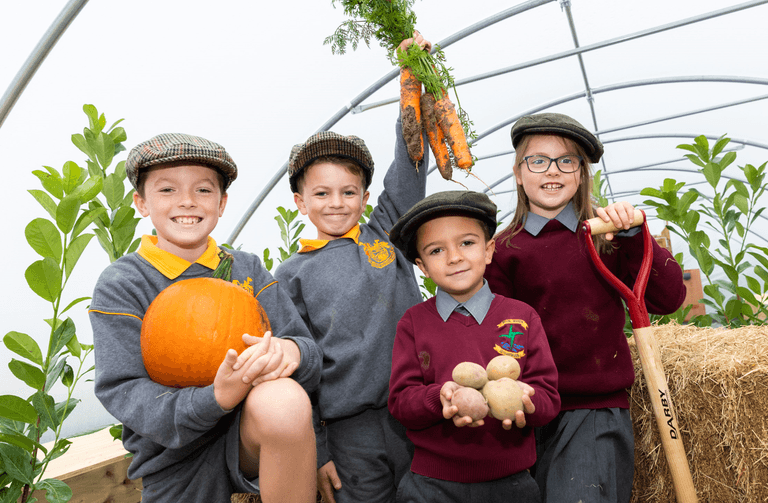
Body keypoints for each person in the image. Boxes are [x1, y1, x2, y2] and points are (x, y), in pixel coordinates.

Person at [89, 133, 322, 503]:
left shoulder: (246, 269)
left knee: (284, 399)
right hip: (172, 459)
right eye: (167, 190)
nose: (187, 201)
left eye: (203, 190)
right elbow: (123, 388)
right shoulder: (123, 283)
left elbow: (305, 349)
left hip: (251, 437)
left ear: (222, 203)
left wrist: (291, 353)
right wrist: (216, 398)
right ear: (141, 203)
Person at [484, 112, 687, 503]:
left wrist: (633, 235)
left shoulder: (606, 235)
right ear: (517, 171)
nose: (552, 171)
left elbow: (669, 298)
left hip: (591, 411)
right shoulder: (504, 250)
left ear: (581, 173)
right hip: (525, 412)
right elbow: (497, 336)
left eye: (567, 161)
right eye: (537, 160)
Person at [273, 33, 431, 503]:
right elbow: (295, 372)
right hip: (348, 431)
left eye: (349, 192)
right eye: (322, 194)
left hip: (417, 409)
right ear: (301, 202)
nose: (337, 203)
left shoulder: (385, 236)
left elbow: (409, 169)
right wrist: (317, 448)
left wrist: (413, 80)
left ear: (365, 196)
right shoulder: (290, 275)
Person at [386, 190, 560, 503]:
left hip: (512, 486)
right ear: (422, 266)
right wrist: (439, 396)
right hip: (431, 487)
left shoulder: (522, 316)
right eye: (436, 250)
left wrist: (527, 402)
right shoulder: (413, 323)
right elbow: (400, 402)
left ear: (489, 250)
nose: (454, 257)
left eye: (467, 243)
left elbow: (548, 397)